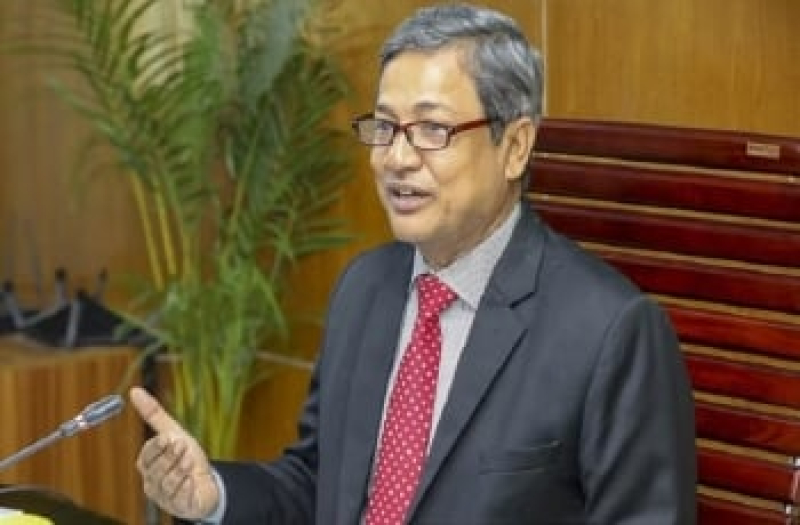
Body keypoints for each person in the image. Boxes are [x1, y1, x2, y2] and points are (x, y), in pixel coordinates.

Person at [130, 3, 697, 524]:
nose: (396, 158)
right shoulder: (365, 288)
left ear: (515, 147)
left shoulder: (610, 332)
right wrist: (213, 495)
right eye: (385, 127)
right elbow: (319, 486)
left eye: (432, 129)